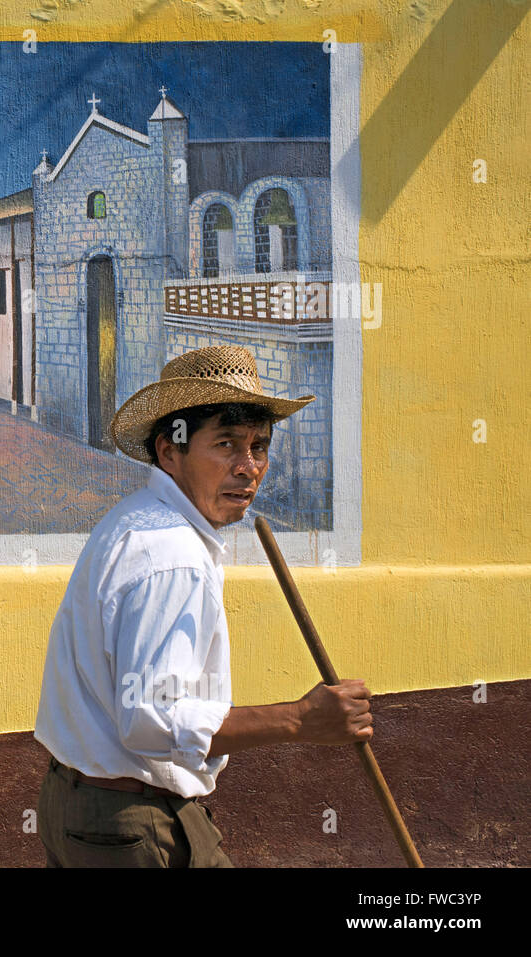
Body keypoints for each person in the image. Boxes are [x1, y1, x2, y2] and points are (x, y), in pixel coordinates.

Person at [34, 345, 372, 867]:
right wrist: (301, 720)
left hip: (89, 812)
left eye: (259, 446)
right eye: (227, 444)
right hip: (133, 823)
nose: (249, 467)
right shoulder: (173, 555)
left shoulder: (139, 518)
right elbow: (150, 718)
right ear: (170, 452)